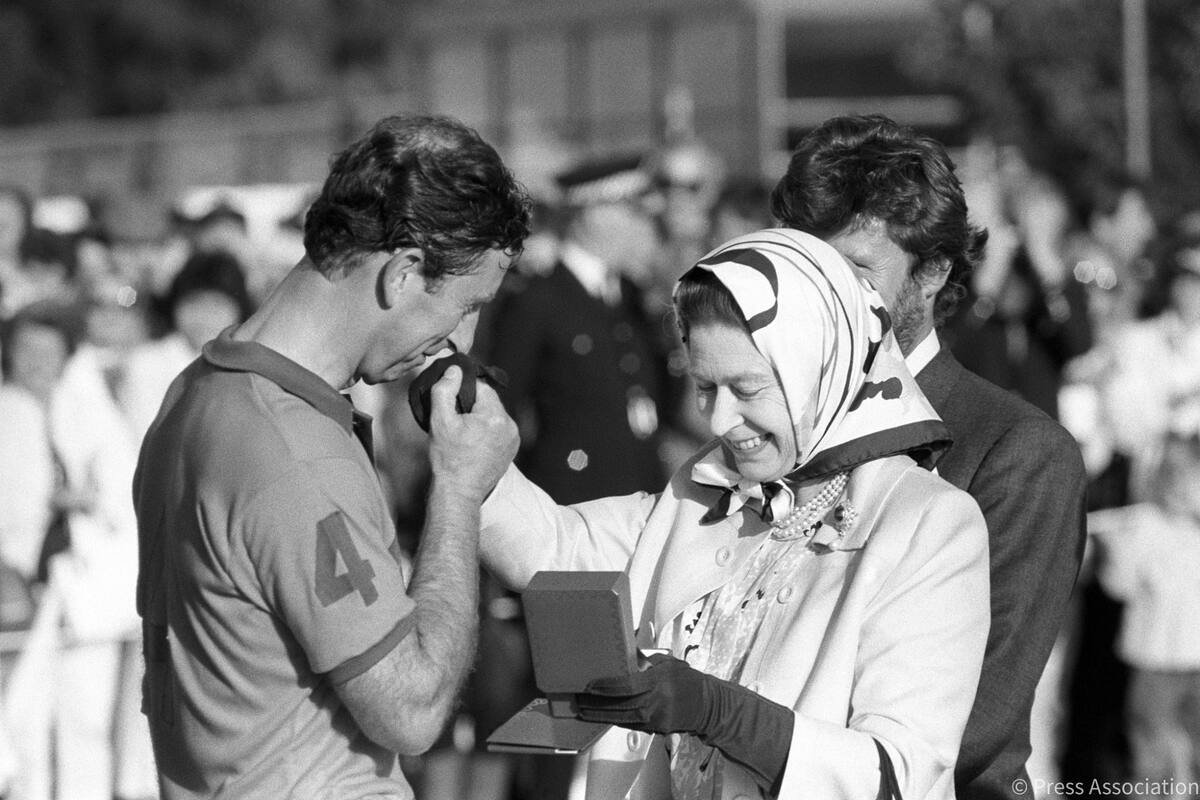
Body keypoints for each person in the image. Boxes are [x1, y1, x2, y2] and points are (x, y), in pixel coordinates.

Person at [476, 227, 990, 799]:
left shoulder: (931, 525)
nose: (719, 421)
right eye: (704, 387)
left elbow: (900, 776)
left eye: (747, 389)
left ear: (822, 368)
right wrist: (463, 429)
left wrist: (720, 713)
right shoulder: (705, 491)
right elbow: (553, 548)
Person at [132, 114, 531, 799]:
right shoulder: (291, 453)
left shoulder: (197, 391)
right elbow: (412, 708)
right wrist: (460, 491)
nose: (460, 341)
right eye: (467, 305)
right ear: (404, 272)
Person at [769, 113, 1088, 800]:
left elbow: (976, 718)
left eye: (853, 269)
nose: (820, 295)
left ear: (932, 272)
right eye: (804, 265)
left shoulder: (1016, 449)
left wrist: (753, 738)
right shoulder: (765, 424)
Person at [1089, 405, 1200, 798]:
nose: (1181, 487)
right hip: (1152, 663)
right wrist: (1112, 556)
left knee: (1190, 747)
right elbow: (1119, 586)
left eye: (1190, 479)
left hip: (1193, 665)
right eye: (1174, 477)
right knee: (1150, 751)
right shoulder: (1144, 526)